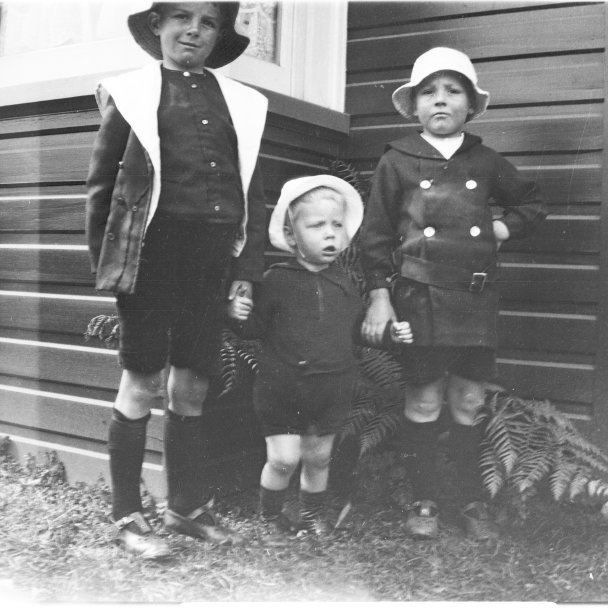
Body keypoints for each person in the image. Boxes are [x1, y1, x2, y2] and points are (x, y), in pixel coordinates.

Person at [85, 2, 268, 559]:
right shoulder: (132, 95)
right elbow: (102, 188)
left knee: (192, 385)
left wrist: (244, 273)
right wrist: (111, 265)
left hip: (210, 261)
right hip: (151, 258)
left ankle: (184, 506)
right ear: (157, 26)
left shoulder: (240, 103)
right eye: (181, 18)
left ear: (219, 34)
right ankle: (127, 514)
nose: (193, 30)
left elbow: (251, 192)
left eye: (208, 22)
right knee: (142, 380)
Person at [360, 47, 547, 540]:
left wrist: (502, 229)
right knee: (423, 403)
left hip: (473, 299)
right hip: (418, 298)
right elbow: (375, 236)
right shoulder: (397, 160)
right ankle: (423, 500)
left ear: (470, 105)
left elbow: (531, 203)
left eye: (452, 90)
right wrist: (380, 295)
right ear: (414, 105)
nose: (440, 100)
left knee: (468, 402)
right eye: (428, 92)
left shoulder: (484, 160)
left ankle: (470, 499)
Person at [228, 175, 412, 543]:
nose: (330, 234)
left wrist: (389, 335)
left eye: (337, 225)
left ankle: (313, 517)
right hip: (282, 389)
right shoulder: (276, 280)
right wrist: (237, 314)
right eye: (317, 226)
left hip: (332, 388)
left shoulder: (344, 283)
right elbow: (252, 330)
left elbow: (358, 331)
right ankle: (270, 516)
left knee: (318, 458)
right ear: (291, 235)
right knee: (283, 459)